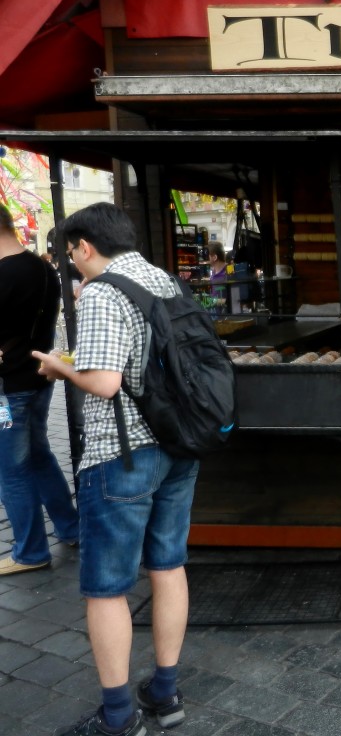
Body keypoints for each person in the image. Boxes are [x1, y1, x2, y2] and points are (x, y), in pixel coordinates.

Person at [33, 203, 198, 736]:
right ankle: (165, 694)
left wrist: (59, 365)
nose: (72, 268)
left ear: (84, 247)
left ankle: (119, 716)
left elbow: (104, 382)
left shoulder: (105, 290)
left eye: (69, 257)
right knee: (168, 567)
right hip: (179, 445)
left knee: (106, 588)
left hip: (122, 456)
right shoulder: (164, 281)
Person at [0, 204, 80, 576]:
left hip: (6, 388)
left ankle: (30, 551)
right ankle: (71, 527)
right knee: (38, 455)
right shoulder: (42, 267)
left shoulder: (4, 274)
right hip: (38, 376)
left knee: (11, 470)